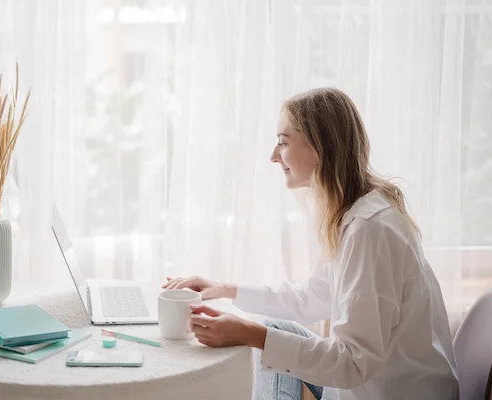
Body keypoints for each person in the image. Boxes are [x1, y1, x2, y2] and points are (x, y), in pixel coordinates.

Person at [163, 88, 459, 400]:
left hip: (392, 393)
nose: (274, 155)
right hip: (371, 384)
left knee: (266, 338)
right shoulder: (356, 213)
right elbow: (314, 296)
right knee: (276, 329)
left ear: (319, 145)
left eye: (283, 141)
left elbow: (353, 362)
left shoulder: (369, 230)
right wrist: (225, 289)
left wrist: (251, 334)